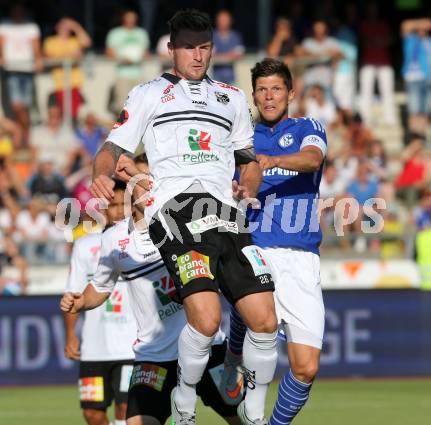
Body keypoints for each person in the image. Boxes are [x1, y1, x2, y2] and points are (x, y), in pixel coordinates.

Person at [91, 9, 278, 425]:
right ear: (171, 49)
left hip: (225, 214)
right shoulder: (147, 94)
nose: (198, 55)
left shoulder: (232, 98)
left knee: (265, 320)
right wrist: (101, 173)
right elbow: (111, 147)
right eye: (189, 47)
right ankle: (186, 401)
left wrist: (249, 182)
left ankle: (255, 408)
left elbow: (247, 160)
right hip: (174, 212)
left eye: (205, 46)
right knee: (207, 320)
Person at [62, 154, 242, 425]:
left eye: (151, 179)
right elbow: (99, 287)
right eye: (139, 180)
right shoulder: (114, 240)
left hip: (206, 348)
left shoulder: (187, 223)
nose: (147, 185)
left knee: (242, 416)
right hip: (154, 356)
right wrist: (80, 301)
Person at [225, 58, 327, 424]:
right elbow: (243, 185)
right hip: (257, 248)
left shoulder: (308, 127)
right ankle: (233, 356)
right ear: (253, 95)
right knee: (259, 323)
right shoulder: (241, 137)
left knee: (305, 368)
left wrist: (270, 160)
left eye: (276, 89)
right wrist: (242, 187)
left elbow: (313, 160)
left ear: (290, 93)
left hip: (301, 258)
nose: (269, 97)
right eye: (262, 90)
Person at [63, 178, 137, 425]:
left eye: (122, 205)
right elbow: (74, 292)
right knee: (92, 414)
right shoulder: (85, 246)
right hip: (94, 348)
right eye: (112, 205)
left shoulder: (140, 243)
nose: (117, 211)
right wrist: (71, 334)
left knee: (126, 409)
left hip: (132, 345)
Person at [0, 4, 43, 146]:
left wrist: (38, 60)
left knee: (25, 106)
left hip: (27, 70)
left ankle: (22, 137)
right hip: (11, 70)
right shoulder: (5, 25)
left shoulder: (31, 26)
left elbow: (35, 45)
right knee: (18, 106)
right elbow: (1, 43)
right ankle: (25, 134)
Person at [43, 17, 92, 121]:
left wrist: (75, 26)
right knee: (63, 111)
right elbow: (49, 56)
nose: (65, 30)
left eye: (67, 28)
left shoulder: (74, 41)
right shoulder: (50, 41)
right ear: (57, 28)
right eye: (63, 27)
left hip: (75, 82)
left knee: (74, 112)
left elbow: (87, 42)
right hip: (60, 82)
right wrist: (70, 54)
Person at [358, 2, 396, 126]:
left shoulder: (383, 24)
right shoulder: (364, 25)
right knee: (366, 91)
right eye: (370, 9)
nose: (372, 11)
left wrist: (376, 42)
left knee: (387, 91)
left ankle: (390, 119)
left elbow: (390, 39)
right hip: (368, 63)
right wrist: (380, 41)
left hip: (384, 63)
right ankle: (365, 118)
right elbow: (366, 42)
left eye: (374, 9)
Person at [105, 10, 150, 113]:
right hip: (122, 74)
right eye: (128, 18)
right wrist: (121, 59)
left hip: (138, 73)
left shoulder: (141, 33)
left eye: (133, 18)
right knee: (123, 105)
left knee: (140, 104)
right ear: (124, 19)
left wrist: (140, 57)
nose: (131, 21)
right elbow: (109, 52)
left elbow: (146, 52)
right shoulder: (115, 33)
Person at [401, 18, 431, 134]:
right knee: (414, 110)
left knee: (425, 111)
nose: (423, 30)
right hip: (413, 78)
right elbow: (405, 26)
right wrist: (422, 22)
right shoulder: (410, 39)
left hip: (429, 78)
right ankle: (414, 137)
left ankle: (421, 139)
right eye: (420, 29)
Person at [212, 10, 244, 85]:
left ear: (230, 21)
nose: (223, 22)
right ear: (216, 21)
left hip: (231, 77)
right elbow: (210, 55)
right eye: (221, 20)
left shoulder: (236, 36)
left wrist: (220, 56)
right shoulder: (211, 36)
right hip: (215, 77)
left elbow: (239, 55)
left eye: (225, 20)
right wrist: (229, 55)